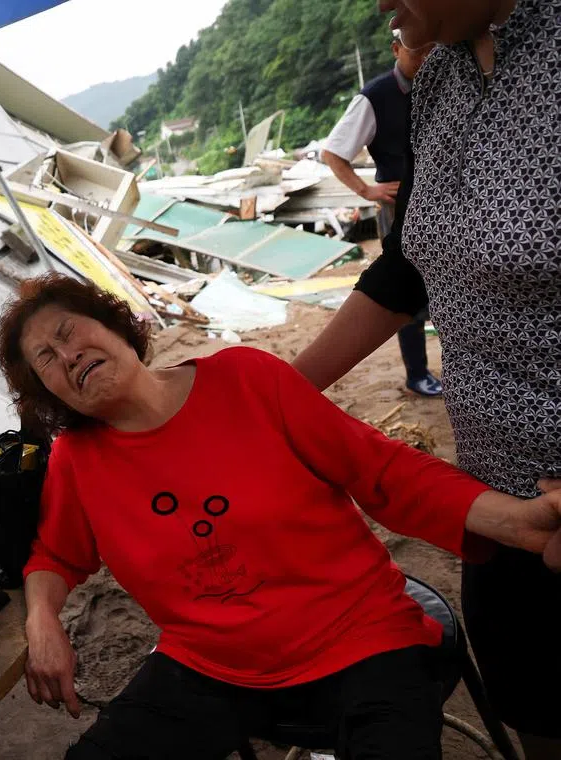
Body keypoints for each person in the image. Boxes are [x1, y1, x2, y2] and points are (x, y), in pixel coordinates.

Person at [0, 274, 561, 759]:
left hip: (361, 635)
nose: (67, 355)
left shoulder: (248, 379)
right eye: (47, 360)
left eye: (68, 333)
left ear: (113, 325)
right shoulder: (76, 459)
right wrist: (42, 623)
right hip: (211, 663)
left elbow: (383, 470)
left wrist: (518, 520)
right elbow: (57, 555)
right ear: (50, 393)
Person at [294, 1, 561, 755]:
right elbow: (410, 264)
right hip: (498, 492)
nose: (382, 5)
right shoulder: (438, 71)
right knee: (534, 706)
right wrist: (275, 387)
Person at [321, 31, 441, 397]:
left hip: (444, 205)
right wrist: (366, 190)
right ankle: (417, 374)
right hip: (400, 209)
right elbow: (333, 152)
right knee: (406, 290)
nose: (424, 58)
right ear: (395, 49)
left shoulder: (445, 82)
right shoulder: (376, 96)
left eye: (431, 48)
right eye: (416, 50)